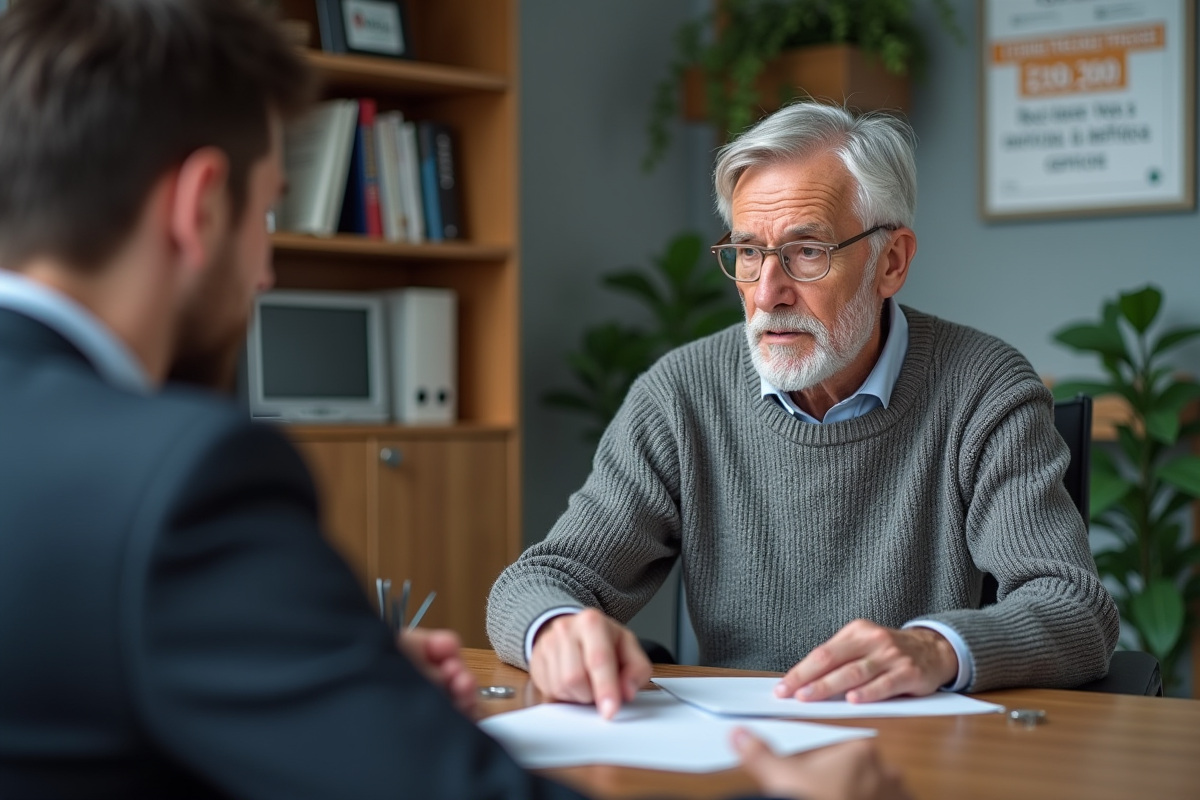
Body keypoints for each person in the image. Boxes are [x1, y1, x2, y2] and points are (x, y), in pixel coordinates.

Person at [0, 2, 910, 799]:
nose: (267, 268)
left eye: (806, 251)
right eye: (267, 213)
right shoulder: (183, 478)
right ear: (200, 208)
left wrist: (316, 679)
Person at [486, 101, 1119, 719]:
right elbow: (538, 580)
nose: (767, 292)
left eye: (807, 251)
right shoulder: (681, 394)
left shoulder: (984, 388)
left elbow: (1073, 607)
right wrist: (556, 628)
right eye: (748, 251)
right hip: (736, 756)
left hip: (916, 757)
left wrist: (934, 649)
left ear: (890, 261)